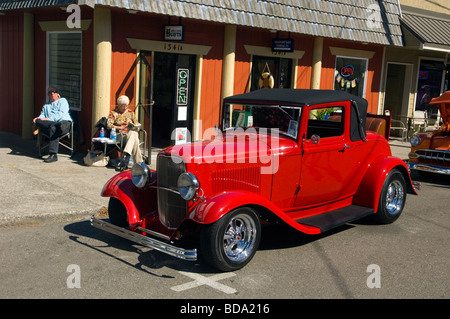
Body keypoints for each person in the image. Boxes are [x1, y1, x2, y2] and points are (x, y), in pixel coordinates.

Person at [33, 86, 72, 163]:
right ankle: (53, 155)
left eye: (53, 91)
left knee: (56, 126)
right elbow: (42, 115)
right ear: (48, 95)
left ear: (57, 93)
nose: (52, 93)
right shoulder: (46, 105)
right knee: (40, 121)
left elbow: (61, 114)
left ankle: (53, 155)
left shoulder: (63, 101)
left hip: (64, 124)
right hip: (52, 126)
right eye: (49, 92)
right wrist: (38, 118)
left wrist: (48, 119)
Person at [107, 95, 143, 170]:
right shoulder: (114, 113)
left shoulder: (131, 113)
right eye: (123, 106)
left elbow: (136, 123)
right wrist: (121, 127)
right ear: (118, 105)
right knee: (134, 137)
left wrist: (137, 127)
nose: (125, 107)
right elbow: (109, 125)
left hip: (130, 134)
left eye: (126, 105)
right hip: (120, 135)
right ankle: (139, 163)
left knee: (133, 134)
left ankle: (125, 158)